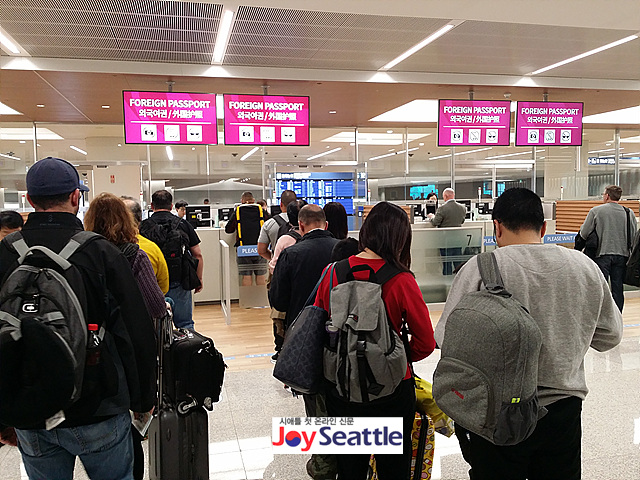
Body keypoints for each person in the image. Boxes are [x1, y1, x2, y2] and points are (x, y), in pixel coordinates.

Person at [434, 188, 623, 480]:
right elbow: (610, 335)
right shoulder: (585, 267)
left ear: (497, 226)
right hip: (563, 409)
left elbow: (445, 338)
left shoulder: (480, 269)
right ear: (543, 227)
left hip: (495, 411)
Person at [0, 157, 157, 479]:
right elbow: (135, 330)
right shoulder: (100, 252)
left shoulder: (5, 253)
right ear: (75, 197)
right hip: (98, 403)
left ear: (29, 199)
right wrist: (144, 398)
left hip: (29, 404)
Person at [313, 202, 436, 480]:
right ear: (401, 238)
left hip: (341, 385)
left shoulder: (332, 273)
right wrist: (393, 358)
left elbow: (319, 326)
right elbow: (426, 342)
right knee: (393, 468)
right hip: (391, 390)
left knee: (349, 468)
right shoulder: (402, 279)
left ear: (366, 231)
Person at [83, 192, 166, 480]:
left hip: (93, 347)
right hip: (130, 347)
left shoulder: (82, 254)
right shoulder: (134, 254)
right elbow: (155, 306)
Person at [269, 204, 339, 480]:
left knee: (315, 396)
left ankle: (324, 463)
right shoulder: (345, 250)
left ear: (300, 225)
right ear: (325, 223)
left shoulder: (292, 254)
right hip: (342, 334)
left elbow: (278, 299)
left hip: (306, 336)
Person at [140, 190, 203, 330]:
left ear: (152, 205)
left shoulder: (143, 226)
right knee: (185, 324)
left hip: (151, 283)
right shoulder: (183, 224)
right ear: (171, 205)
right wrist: (198, 279)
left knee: (153, 325)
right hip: (179, 280)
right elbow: (197, 254)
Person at [578, 185, 637, 311]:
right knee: (618, 289)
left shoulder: (596, 211)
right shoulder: (629, 213)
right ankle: (617, 316)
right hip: (622, 256)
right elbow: (633, 237)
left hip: (601, 254)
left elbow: (584, 233)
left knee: (601, 287)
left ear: (607, 196)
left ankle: (602, 316)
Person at [267, 199, 306, 362]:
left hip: (286, 286)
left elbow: (274, 265)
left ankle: (281, 350)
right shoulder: (314, 239)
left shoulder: (284, 238)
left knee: (281, 317)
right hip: (306, 286)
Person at [121, 196, 170, 295]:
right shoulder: (151, 248)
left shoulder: (103, 247)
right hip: (146, 301)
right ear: (140, 219)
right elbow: (163, 285)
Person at [225, 191, 267, 287]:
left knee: (246, 276)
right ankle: (261, 296)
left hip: (243, 248)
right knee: (261, 275)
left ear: (242, 201)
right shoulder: (260, 210)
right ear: (253, 200)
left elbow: (228, 229)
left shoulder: (238, 211)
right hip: (260, 247)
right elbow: (269, 223)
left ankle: (247, 297)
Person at [428, 187, 467, 275]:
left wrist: (431, 217)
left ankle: (447, 281)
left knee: (447, 264)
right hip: (458, 240)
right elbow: (462, 221)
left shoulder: (442, 208)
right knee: (458, 264)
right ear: (453, 195)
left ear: (445, 196)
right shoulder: (462, 208)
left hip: (445, 240)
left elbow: (435, 222)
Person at [257, 190, 298, 263]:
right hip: (299, 265)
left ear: (281, 204)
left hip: (278, 266)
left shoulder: (269, 224)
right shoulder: (304, 222)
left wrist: (274, 258)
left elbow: (261, 250)